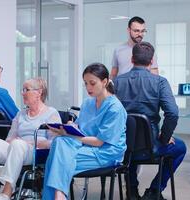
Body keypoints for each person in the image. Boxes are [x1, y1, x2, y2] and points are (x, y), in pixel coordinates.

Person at [0, 77, 61, 200]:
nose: (22, 93)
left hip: (37, 152)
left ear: (39, 93)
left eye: (26, 90)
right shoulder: (20, 114)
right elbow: (10, 138)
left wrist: (28, 142)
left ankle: (6, 193)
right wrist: (15, 142)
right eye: (22, 89)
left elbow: (54, 142)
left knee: (18, 145)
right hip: (17, 149)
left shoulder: (51, 113)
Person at [42, 63, 127, 200]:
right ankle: (60, 195)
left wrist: (70, 134)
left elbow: (100, 142)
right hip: (85, 147)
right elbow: (81, 128)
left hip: (106, 153)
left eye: (92, 83)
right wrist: (70, 127)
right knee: (59, 144)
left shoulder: (115, 108)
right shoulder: (88, 103)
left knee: (58, 159)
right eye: (86, 83)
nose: (88, 88)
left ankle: (59, 196)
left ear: (104, 82)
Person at [114, 42, 186, 200]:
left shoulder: (117, 82)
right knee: (180, 147)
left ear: (132, 59)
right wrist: (165, 138)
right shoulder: (160, 82)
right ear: (152, 61)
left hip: (123, 146)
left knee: (129, 144)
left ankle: (132, 191)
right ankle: (154, 190)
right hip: (151, 147)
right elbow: (173, 113)